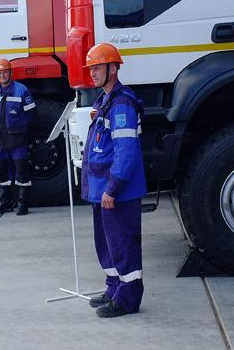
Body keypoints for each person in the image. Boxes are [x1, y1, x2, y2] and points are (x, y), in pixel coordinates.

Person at [81, 43, 146, 318]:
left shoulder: (121, 104)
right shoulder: (105, 101)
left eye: (97, 67)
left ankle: (128, 298)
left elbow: (126, 151)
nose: (92, 73)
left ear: (113, 67)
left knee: (122, 243)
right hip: (103, 189)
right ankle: (114, 288)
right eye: (91, 68)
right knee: (107, 243)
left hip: (116, 191)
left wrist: (112, 188)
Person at [0, 58, 36, 216]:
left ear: (10, 73)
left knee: (21, 170)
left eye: (5, 72)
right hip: (1, 138)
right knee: (1, 171)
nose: (2, 75)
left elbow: (32, 115)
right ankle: (5, 200)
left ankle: (23, 202)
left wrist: (22, 131)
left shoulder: (22, 90)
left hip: (18, 139)